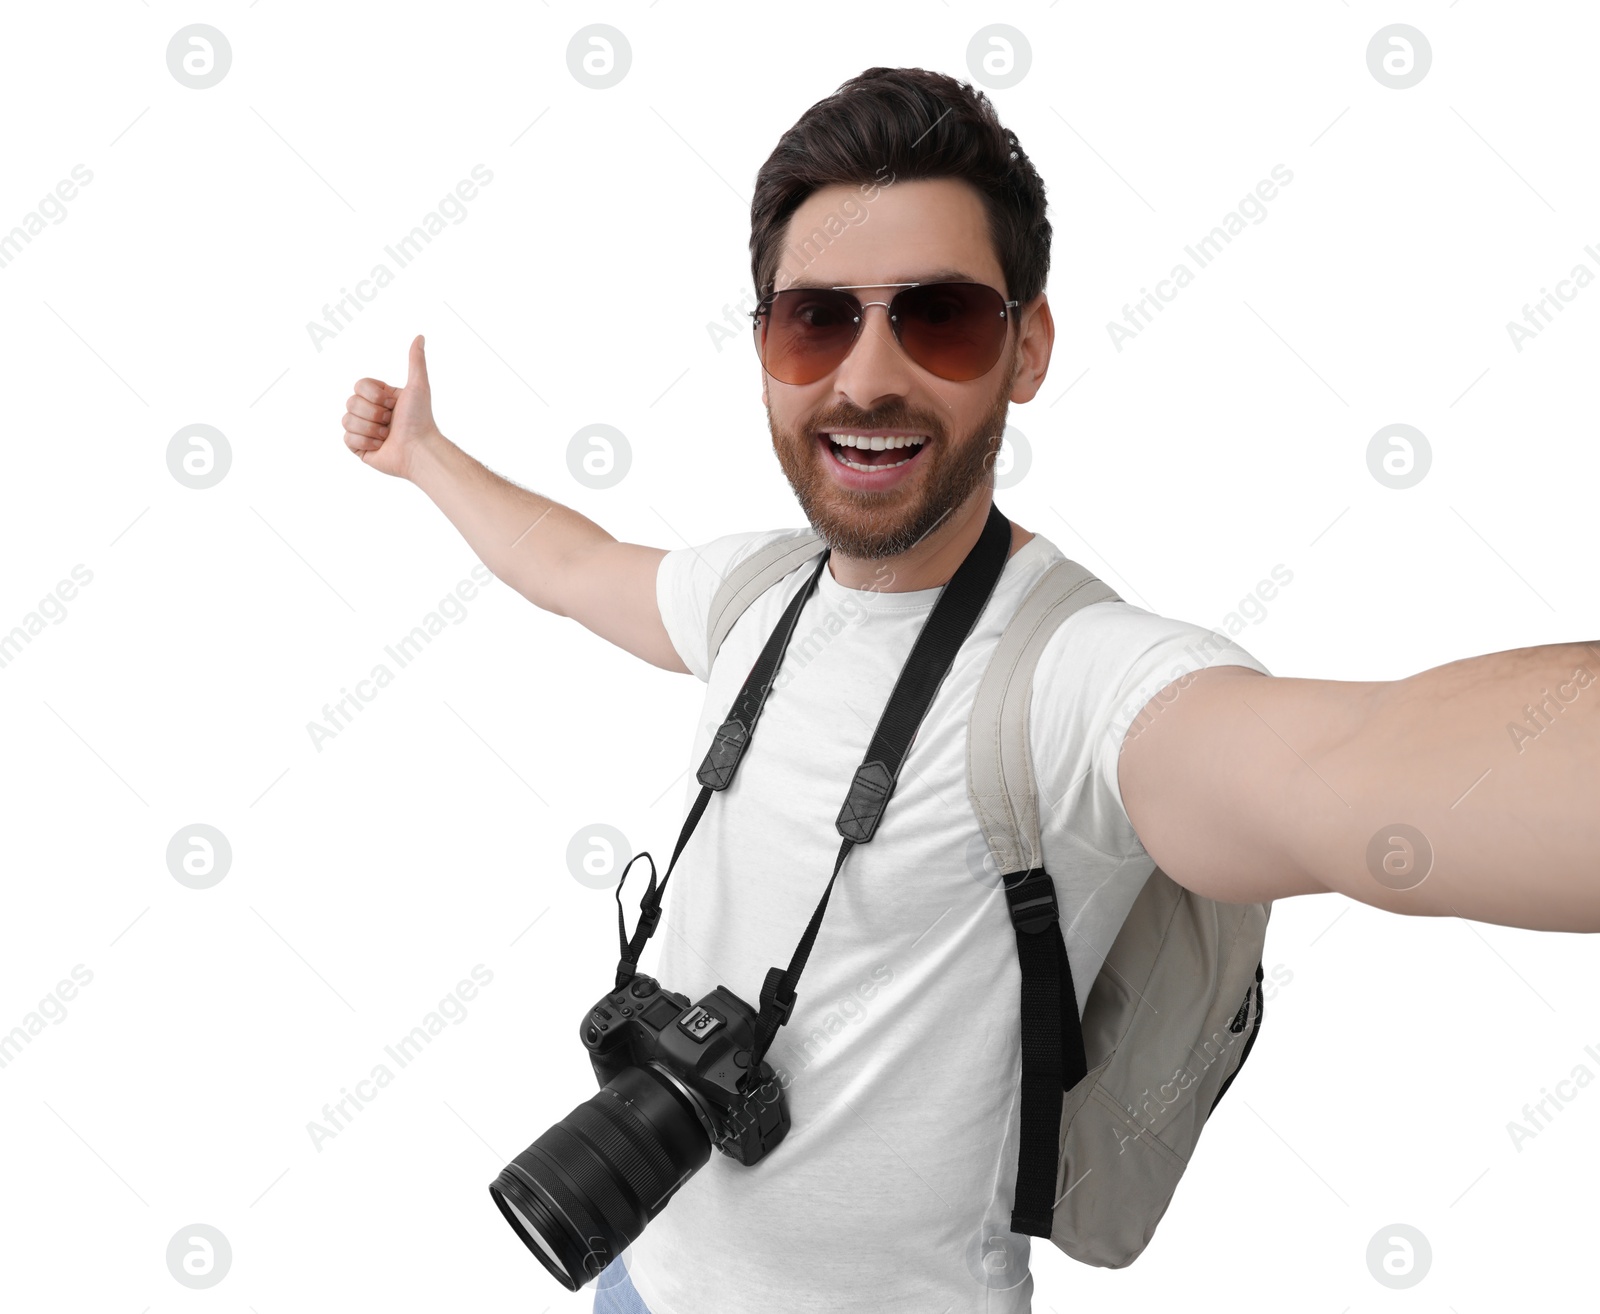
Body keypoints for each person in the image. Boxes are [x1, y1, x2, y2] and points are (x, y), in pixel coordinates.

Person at [340, 66, 1598, 1314]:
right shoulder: (752, 595)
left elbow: (1362, 766)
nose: (866, 376)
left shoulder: (1072, 680)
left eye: (935, 317)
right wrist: (426, 457)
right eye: (814, 320)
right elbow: (570, 566)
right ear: (766, 350)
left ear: (1027, 346)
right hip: (637, 1275)